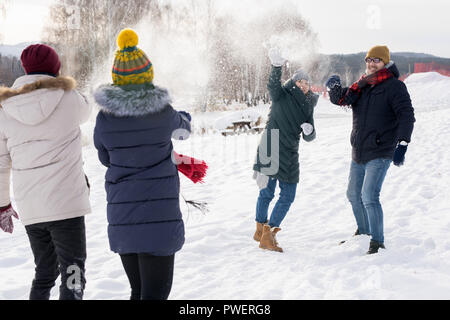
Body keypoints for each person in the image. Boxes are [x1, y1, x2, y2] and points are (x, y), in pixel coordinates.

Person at [93, 29, 191, 300]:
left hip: (123, 217)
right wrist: (184, 118)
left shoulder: (105, 117)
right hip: (158, 218)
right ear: (148, 74)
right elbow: (184, 130)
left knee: (138, 291)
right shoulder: (163, 112)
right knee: (156, 294)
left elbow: (104, 157)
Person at [0, 44, 92, 299]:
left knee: (44, 271)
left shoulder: (5, 110)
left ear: (25, 69)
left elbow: (1, 163)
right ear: (56, 68)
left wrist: (2, 205)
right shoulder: (70, 98)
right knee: (73, 271)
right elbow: (87, 109)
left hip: (32, 209)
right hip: (66, 207)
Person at [325, 45, 415, 254]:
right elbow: (343, 99)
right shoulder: (362, 85)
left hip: (381, 151)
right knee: (353, 194)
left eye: (376, 60)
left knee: (369, 196)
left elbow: (406, 115)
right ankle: (363, 233)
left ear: (385, 62)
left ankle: (377, 242)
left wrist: (402, 143)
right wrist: (334, 89)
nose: (371, 63)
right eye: (368, 59)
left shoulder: (395, 87)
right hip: (359, 151)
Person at [253, 48, 318, 253]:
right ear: (294, 82)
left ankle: (267, 232)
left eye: (307, 82)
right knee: (267, 193)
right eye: (300, 81)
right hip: (271, 146)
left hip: (290, 152)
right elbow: (272, 84)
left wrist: (309, 131)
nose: (304, 85)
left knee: (288, 195)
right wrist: (276, 67)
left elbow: (310, 134)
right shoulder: (281, 94)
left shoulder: (308, 104)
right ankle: (262, 231)